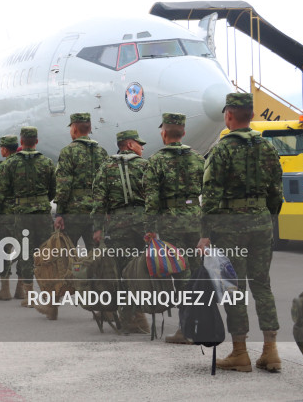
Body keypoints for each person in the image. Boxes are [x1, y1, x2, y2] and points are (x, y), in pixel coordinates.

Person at [198, 93, 283, 372]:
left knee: (234, 288)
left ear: (229, 115)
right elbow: (276, 194)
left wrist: (205, 233)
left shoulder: (221, 150)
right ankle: (271, 351)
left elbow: (210, 196)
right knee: (262, 285)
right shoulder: (268, 148)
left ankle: (240, 352)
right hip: (261, 223)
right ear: (252, 115)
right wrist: (266, 218)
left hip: (230, 227)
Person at [144, 114, 205, 342]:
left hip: (171, 221)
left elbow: (151, 199)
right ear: (184, 133)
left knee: (180, 274)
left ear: (163, 133)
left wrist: (150, 229)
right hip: (195, 220)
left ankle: (186, 329)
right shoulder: (198, 159)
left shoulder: (156, 161)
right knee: (197, 272)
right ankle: (199, 324)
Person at [92, 129, 150, 334]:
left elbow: (98, 200)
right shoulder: (145, 166)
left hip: (118, 225)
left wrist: (97, 228)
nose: (142, 148)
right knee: (142, 270)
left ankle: (126, 316)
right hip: (142, 224)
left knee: (123, 270)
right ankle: (137, 316)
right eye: (138, 143)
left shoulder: (106, 167)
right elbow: (154, 197)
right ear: (128, 145)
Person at [0, 128, 56, 311]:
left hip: (21, 214)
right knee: (45, 253)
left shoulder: (10, 164)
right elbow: (53, 190)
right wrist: (41, 201)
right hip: (43, 213)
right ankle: (47, 293)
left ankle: (29, 296)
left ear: (21, 141)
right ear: (37, 140)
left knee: (25, 254)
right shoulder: (47, 162)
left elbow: (0, 192)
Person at [54, 112, 108, 251]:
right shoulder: (102, 152)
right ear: (89, 129)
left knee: (68, 254)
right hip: (95, 212)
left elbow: (63, 184)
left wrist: (59, 213)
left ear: (74, 129)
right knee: (96, 255)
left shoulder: (68, 152)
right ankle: (95, 274)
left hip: (74, 213)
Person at [0, 135, 22, 300]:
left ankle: (5, 289)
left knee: (5, 250)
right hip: (27, 214)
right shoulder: (30, 162)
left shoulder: (4, 166)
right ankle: (22, 288)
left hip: (7, 215)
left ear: (5, 149)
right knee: (25, 250)